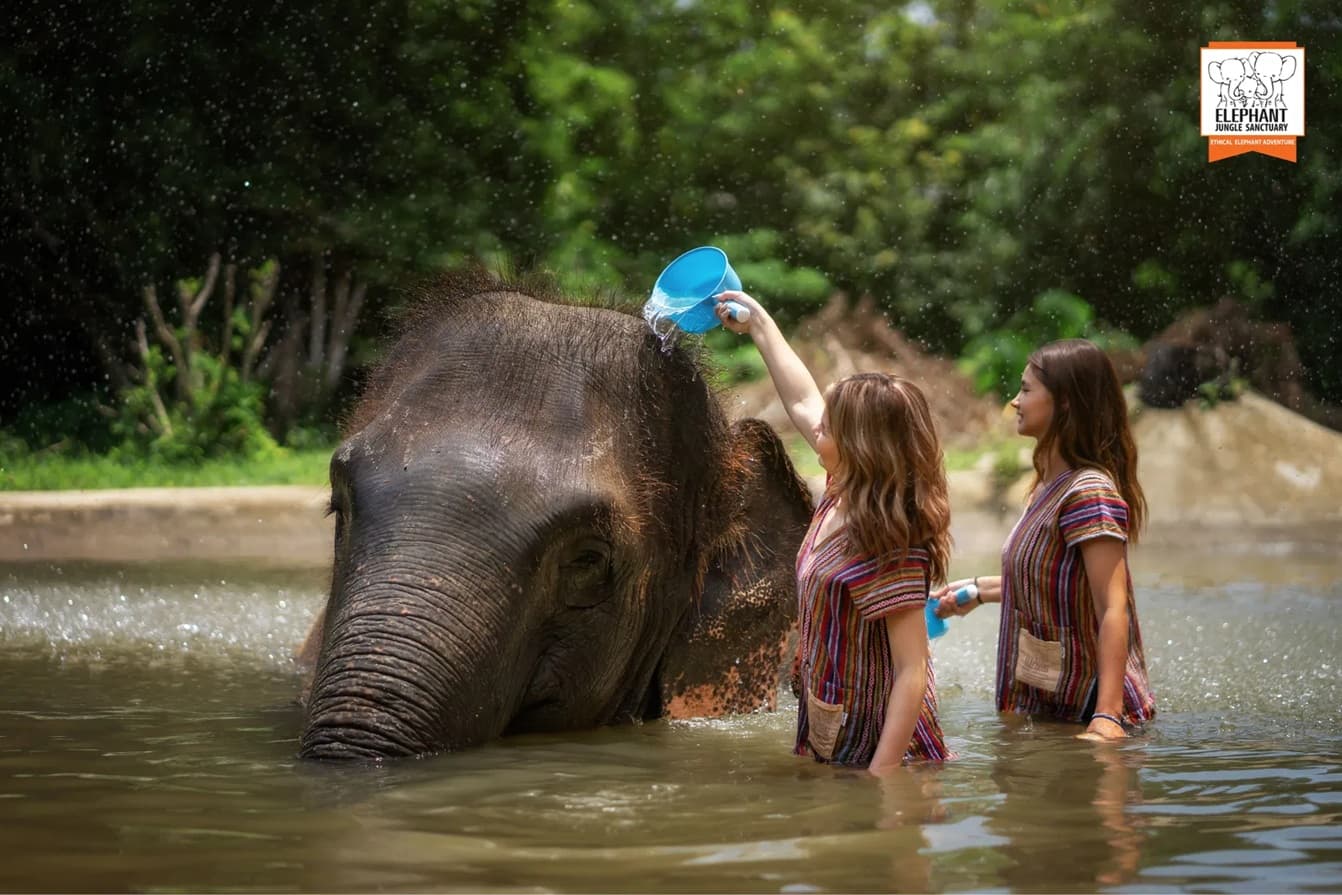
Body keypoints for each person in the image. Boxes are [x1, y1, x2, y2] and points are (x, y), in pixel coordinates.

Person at [715, 290, 953, 772]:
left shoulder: (889, 537)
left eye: (825, 428)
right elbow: (802, 398)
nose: (813, 429)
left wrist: (882, 778)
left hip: (884, 751)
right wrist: (760, 324)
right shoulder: (842, 488)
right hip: (837, 731)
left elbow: (912, 670)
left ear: (861, 447)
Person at [934, 338, 1156, 739]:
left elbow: (1112, 606)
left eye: (1025, 389)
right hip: (1054, 710)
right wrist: (978, 591)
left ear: (1065, 401)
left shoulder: (1089, 492)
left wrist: (1107, 717)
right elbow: (1060, 582)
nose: (1015, 401)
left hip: (1089, 710)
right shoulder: (1047, 487)